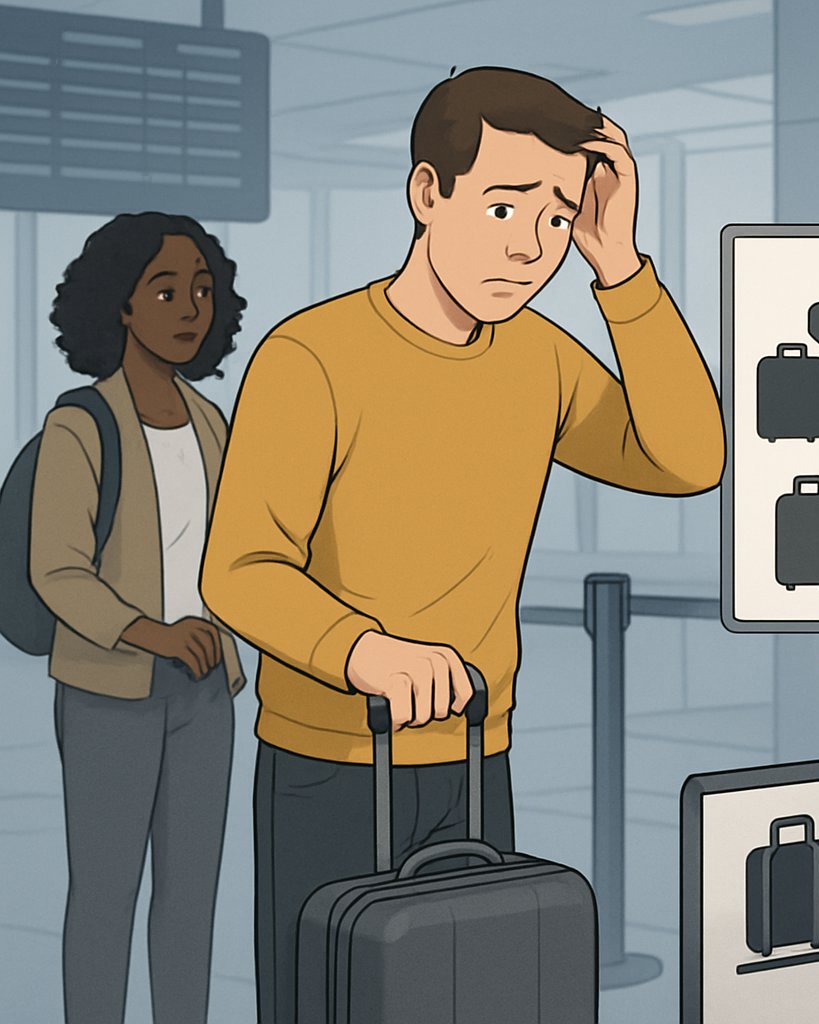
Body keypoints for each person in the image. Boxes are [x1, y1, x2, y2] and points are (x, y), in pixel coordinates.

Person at [199, 67, 725, 1022]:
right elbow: (238, 569)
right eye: (503, 207)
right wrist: (364, 651)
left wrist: (620, 267)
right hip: (333, 761)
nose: (530, 247)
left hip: (479, 751)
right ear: (427, 193)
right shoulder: (312, 356)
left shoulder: (540, 357)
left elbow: (688, 460)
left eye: (558, 218)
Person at [30, 212, 247, 1024]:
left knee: (192, 897)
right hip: (109, 693)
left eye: (202, 290)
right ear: (119, 304)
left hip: (205, 691)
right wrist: (152, 633)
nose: (190, 308)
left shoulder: (211, 422)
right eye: (165, 291)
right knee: (106, 892)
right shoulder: (80, 425)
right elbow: (55, 569)